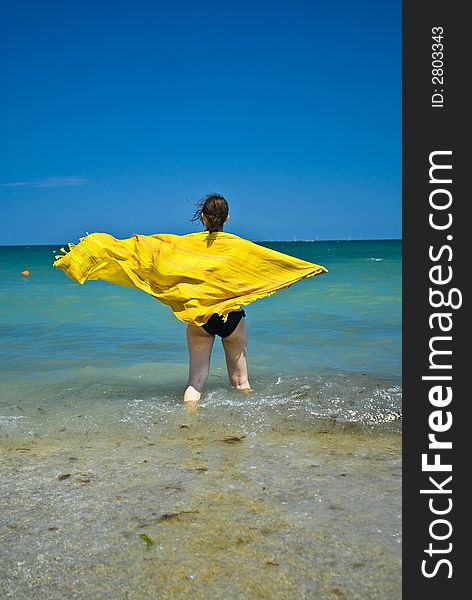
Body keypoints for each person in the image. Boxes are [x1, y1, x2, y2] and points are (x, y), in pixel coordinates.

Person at [184, 194, 251, 403]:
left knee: (195, 383)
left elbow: (161, 258)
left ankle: (186, 427)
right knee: (241, 383)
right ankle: (248, 429)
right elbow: (261, 270)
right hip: (232, 317)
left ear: (203, 217)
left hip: (202, 316)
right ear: (227, 218)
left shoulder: (188, 245)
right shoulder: (239, 246)